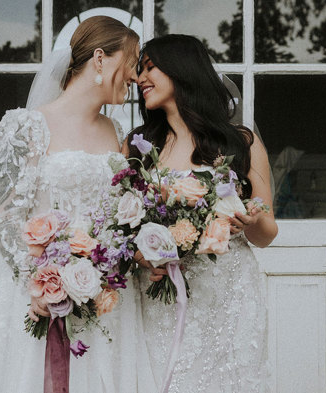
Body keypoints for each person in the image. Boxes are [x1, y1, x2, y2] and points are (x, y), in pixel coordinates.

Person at [0, 16, 155, 393]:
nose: (135, 77)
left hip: (108, 298)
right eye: (131, 63)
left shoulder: (115, 132)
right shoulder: (26, 126)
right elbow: (3, 216)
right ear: (99, 59)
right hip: (43, 292)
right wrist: (40, 283)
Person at [124, 34, 278, 392]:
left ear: (182, 70)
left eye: (150, 68)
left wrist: (252, 222)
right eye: (139, 70)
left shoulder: (240, 143)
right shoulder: (138, 146)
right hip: (163, 297)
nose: (140, 78)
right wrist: (142, 257)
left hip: (229, 293)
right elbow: (124, 230)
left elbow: (267, 233)